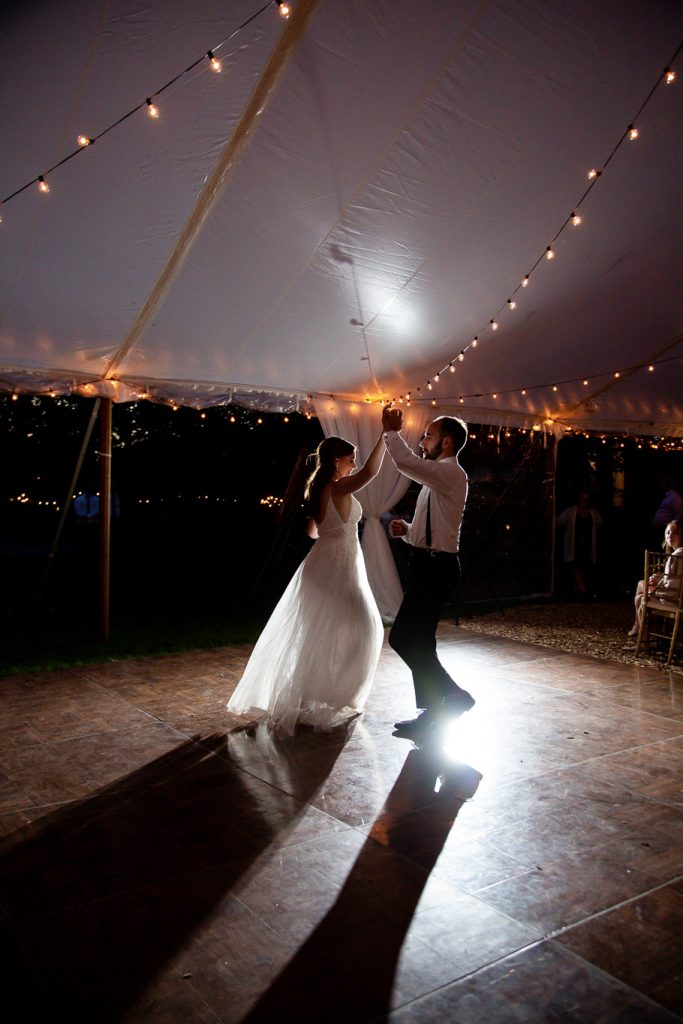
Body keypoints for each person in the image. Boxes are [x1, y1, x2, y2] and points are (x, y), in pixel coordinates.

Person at [227, 426, 386, 735]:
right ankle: (333, 692)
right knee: (363, 627)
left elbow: (313, 531)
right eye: (350, 459)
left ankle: (314, 693)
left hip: (321, 563)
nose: (354, 464)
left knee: (321, 631)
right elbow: (371, 472)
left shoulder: (318, 487)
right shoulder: (337, 487)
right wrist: (385, 435)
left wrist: (333, 529)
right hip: (338, 565)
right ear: (337, 460)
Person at [381, 405, 474, 741]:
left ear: (446, 443)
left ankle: (455, 696)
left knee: (402, 638)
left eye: (428, 436)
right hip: (427, 563)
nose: (422, 442)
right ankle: (432, 712)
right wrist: (407, 530)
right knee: (420, 641)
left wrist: (391, 432)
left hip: (437, 568)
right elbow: (431, 530)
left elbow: (406, 462)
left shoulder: (451, 474)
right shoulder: (437, 478)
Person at [629, 519, 683, 638]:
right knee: (639, 598)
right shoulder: (678, 554)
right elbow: (676, 579)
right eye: (668, 532)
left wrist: (659, 582)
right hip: (673, 596)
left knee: (640, 586)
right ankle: (638, 629)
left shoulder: (678, 555)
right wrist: (663, 578)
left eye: (675, 533)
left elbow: (673, 587)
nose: (670, 536)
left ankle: (640, 632)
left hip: (672, 599)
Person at [555, 489, 602, 598]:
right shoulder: (571, 511)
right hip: (575, 543)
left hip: (587, 543)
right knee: (576, 565)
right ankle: (583, 590)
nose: (584, 501)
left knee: (584, 565)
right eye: (582, 499)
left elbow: (600, 522)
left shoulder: (593, 513)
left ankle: (577, 589)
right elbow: (560, 520)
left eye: (586, 499)